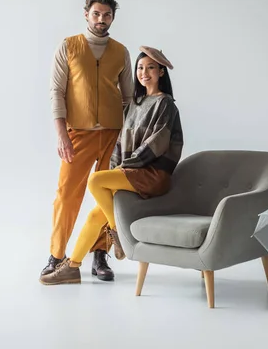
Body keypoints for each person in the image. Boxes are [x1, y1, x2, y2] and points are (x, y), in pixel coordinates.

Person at [40, 46, 184, 285]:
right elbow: (120, 143)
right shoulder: (134, 104)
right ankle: (72, 267)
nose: (144, 73)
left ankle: (119, 231)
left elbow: (156, 144)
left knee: (96, 180)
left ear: (161, 72)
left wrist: (121, 169)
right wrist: (118, 168)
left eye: (150, 68)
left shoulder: (165, 104)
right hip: (131, 171)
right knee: (97, 215)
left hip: (152, 174)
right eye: (140, 68)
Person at [42, 0, 133, 282]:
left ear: (112, 18)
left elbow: (129, 97)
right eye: (96, 14)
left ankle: (99, 255)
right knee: (67, 195)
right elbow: (56, 91)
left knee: (107, 196)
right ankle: (56, 256)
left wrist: (127, 138)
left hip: (113, 135)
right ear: (86, 14)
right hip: (77, 133)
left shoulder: (120, 51)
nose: (101, 20)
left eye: (107, 15)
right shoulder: (68, 46)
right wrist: (61, 134)